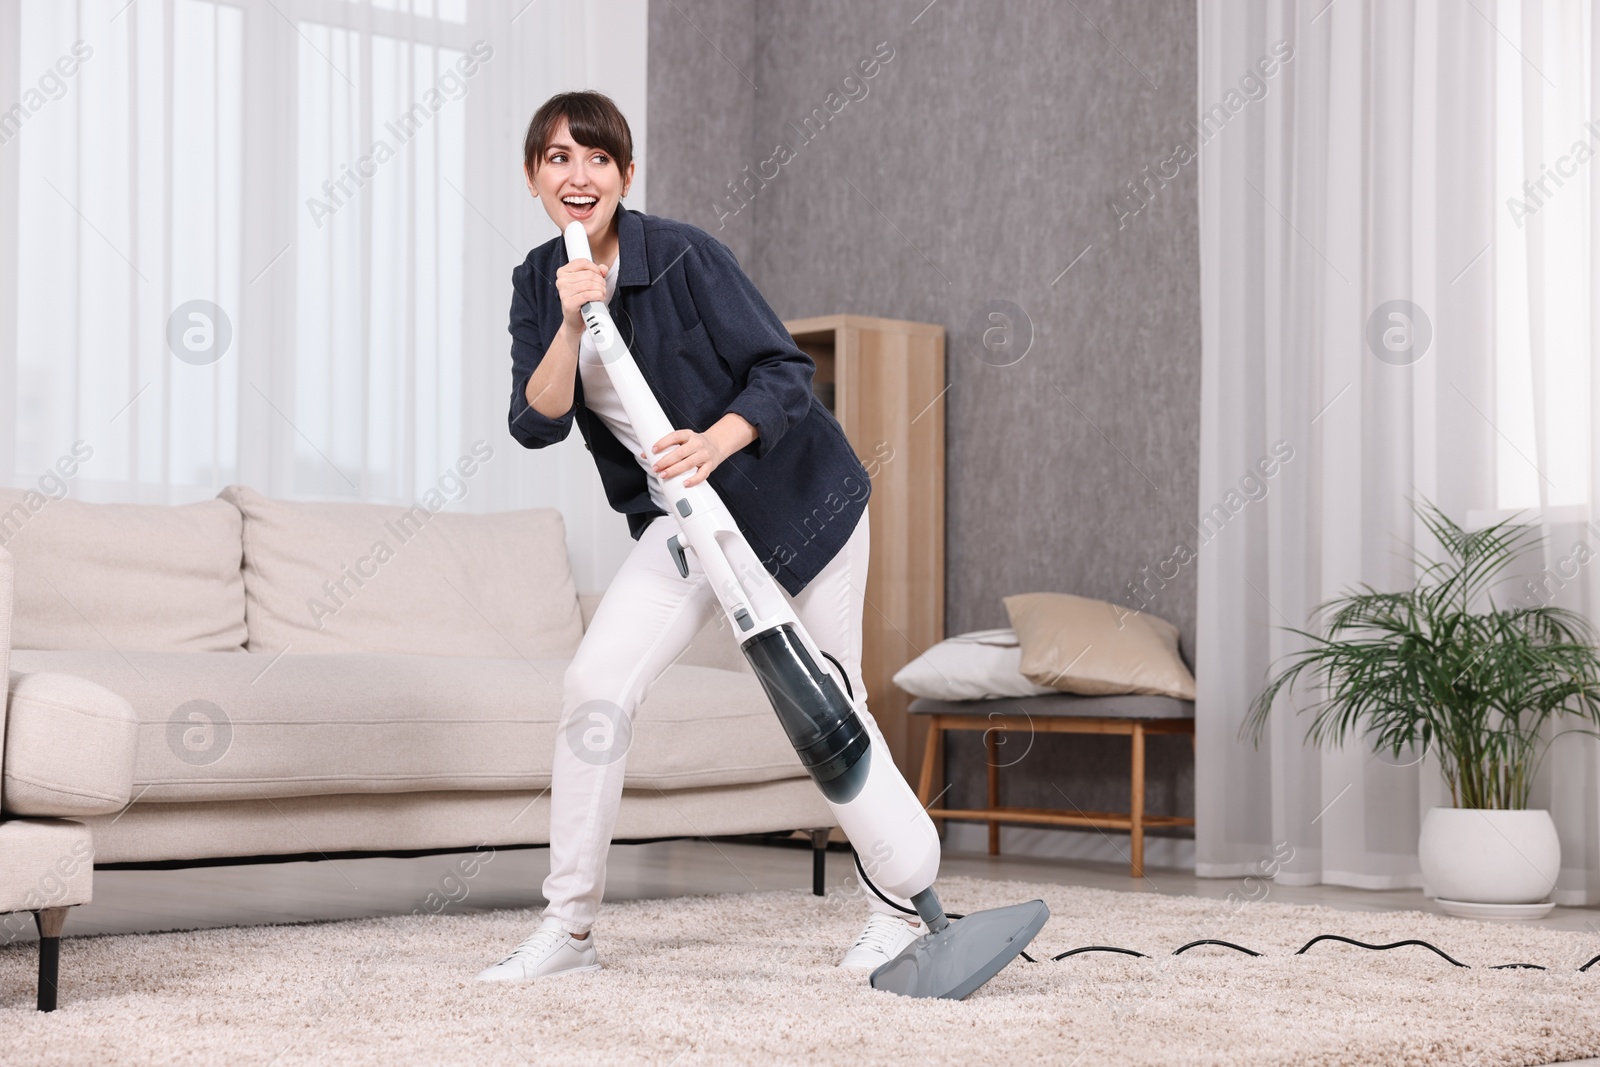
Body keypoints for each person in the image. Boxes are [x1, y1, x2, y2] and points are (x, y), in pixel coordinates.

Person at [476, 90, 923, 983]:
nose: (579, 174)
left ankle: (901, 914)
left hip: (799, 502)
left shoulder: (682, 255)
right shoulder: (537, 281)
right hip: (687, 522)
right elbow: (538, 421)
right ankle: (568, 931)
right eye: (559, 158)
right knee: (595, 685)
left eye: (598, 157)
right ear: (533, 177)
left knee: (832, 699)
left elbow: (784, 370)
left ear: (625, 175)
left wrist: (718, 437)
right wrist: (571, 319)